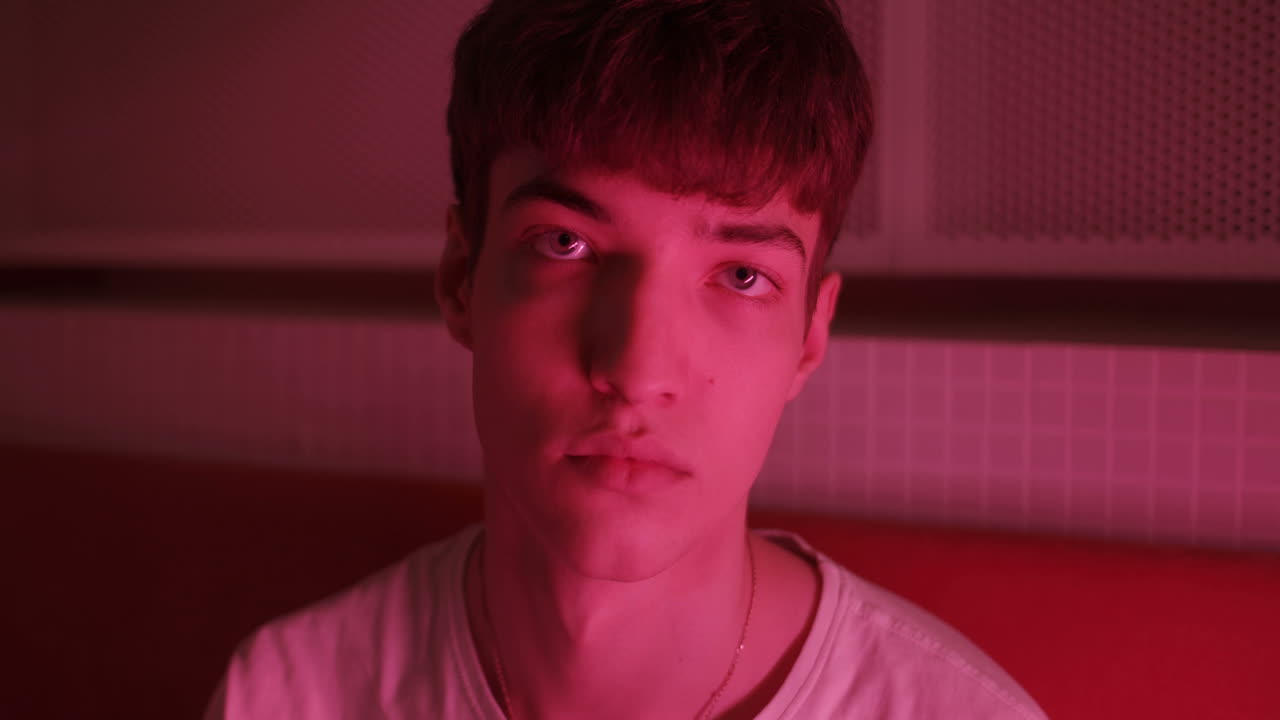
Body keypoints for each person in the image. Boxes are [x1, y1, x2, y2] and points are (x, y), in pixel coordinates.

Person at [205, 1, 1047, 718]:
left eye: (743, 275)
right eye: (565, 243)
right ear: (463, 278)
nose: (639, 372)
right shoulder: (289, 695)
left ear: (810, 335)